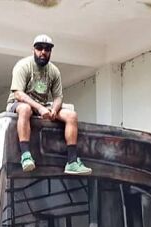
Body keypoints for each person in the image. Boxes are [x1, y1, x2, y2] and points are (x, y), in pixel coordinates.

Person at [7, 34, 92, 175]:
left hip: (43, 105)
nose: (43, 52)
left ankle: (72, 161)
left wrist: (54, 109)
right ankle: (26, 155)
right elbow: (18, 94)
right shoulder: (23, 66)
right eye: (39, 48)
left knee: (71, 115)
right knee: (26, 109)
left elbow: (58, 96)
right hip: (19, 104)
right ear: (33, 49)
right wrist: (39, 108)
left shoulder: (53, 71)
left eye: (47, 49)